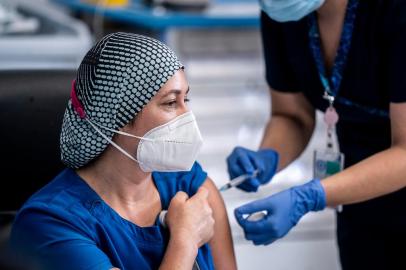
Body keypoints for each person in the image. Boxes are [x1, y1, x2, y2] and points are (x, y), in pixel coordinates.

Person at [9, 32, 237, 270]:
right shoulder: (51, 225)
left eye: (185, 101)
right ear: (116, 115)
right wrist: (185, 240)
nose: (187, 117)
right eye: (171, 102)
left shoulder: (192, 187)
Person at [227, 0, 406, 269]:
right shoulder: (283, 12)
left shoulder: (396, 11)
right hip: (357, 192)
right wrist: (267, 156)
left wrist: (309, 197)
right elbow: (292, 115)